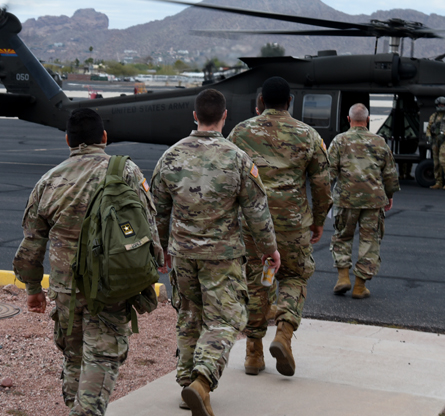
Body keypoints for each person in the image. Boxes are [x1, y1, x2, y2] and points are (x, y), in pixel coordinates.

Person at [13, 108, 163, 416]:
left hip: (67, 290)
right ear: (104, 138)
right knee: (104, 357)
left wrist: (32, 288)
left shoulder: (49, 181)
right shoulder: (127, 172)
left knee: (75, 354)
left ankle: (77, 407)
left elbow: (32, 241)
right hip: (113, 284)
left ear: (68, 140)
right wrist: (154, 262)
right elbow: (149, 223)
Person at [151, 89, 280, 416]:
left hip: (182, 253)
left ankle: (186, 385)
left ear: (195, 116)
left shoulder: (170, 157)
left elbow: (158, 212)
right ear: (224, 117)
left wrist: (163, 251)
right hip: (221, 255)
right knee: (227, 318)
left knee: (190, 316)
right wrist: (270, 249)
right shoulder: (237, 158)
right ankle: (203, 380)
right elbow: (256, 212)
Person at [227, 76, 331, 378]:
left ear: (260, 102)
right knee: (295, 277)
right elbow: (322, 186)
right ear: (289, 102)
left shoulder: (239, 132)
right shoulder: (308, 135)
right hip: (293, 224)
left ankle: (253, 354)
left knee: (256, 283)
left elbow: (228, 177)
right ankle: (284, 333)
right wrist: (319, 221)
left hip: (252, 226)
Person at [327, 103, 399, 299]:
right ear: (368, 119)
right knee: (370, 241)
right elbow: (390, 173)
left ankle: (343, 278)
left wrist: (325, 198)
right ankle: (360, 286)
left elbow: (328, 173)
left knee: (342, 236)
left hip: (345, 199)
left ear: (349, 119)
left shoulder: (339, 141)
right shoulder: (379, 142)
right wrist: (389, 195)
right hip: (373, 201)